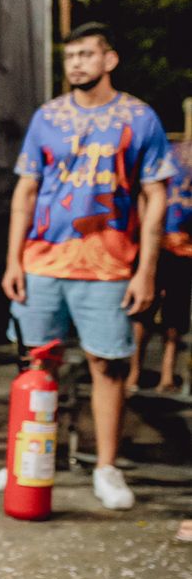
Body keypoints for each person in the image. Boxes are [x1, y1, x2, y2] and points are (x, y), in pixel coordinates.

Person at [0, 22, 173, 510]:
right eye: (71, 55)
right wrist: (13, 260)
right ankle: (28, 455)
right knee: (37, 362)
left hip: (109, 265)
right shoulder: (47, 117)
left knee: (107, 366)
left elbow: (156, 197)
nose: (76, 64)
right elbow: (26, 191)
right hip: (42, 261)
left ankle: (107, 467)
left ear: (109, 60)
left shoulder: (140, 118)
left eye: (87, 55)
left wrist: (146, 270)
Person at [127, 140, 192, 396]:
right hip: (155, 246)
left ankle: (167, 374)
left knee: (175, 315)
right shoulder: (164, 152)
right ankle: (134, 372)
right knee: (143, 310)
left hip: (185, 250)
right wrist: (146, 233)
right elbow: (144, 193)